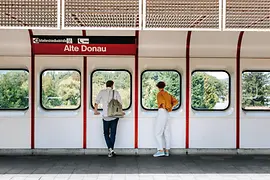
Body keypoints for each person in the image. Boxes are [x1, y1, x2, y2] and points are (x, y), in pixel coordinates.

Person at [94, 80, 124, 157]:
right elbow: (120, 104)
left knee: (106, 133)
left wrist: (95, 111)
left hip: (105, 116)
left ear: (106, 85)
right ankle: (111, 150)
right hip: (114, 116)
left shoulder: (102, 92)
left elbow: (96, 102)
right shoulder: (116, 92)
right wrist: (121, 111)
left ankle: (110, 149)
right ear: (112, 85)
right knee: (113, 133)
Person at [153, 81, 178, 157]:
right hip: (167, 114)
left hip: (162, 112)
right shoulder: (168, 94)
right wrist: (169, 107)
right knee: (167, 132)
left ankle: (160, 150)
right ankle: (167, 150)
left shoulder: (159, 94)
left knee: (157, 133)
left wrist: (164, 106)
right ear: (164, 86)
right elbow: (175, 101)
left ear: (158, 87)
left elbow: (162, 102)